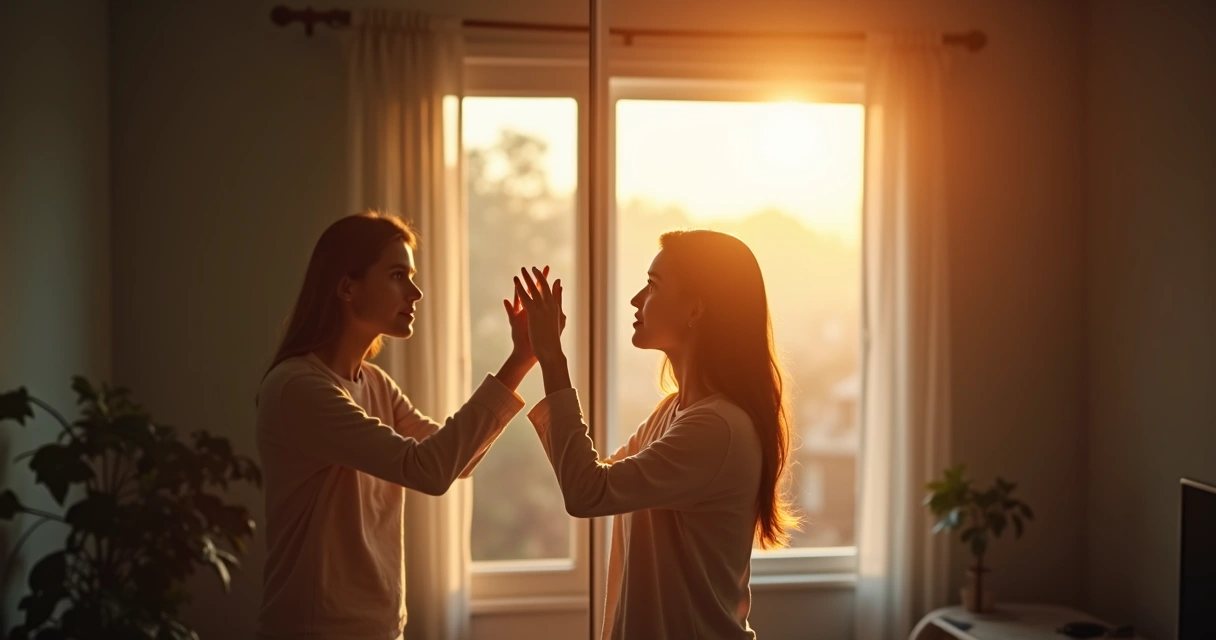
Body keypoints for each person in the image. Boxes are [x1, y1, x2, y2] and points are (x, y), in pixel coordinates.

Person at [255, 211, 549, 640]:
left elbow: (455, 462)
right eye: (397, 275)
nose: (416, 292)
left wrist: (523, 358)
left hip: (379, 628)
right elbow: (427, 469)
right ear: (346, 287)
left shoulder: (374, 382)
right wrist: (518, 362)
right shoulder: (299, 389)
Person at [514, 229, 799, 640]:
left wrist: (552, 358)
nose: (636, 300)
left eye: (652, 285)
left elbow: (586, 491)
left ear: (696, 309)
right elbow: (593, 477)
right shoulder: (676, 411)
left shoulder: (716, 428)